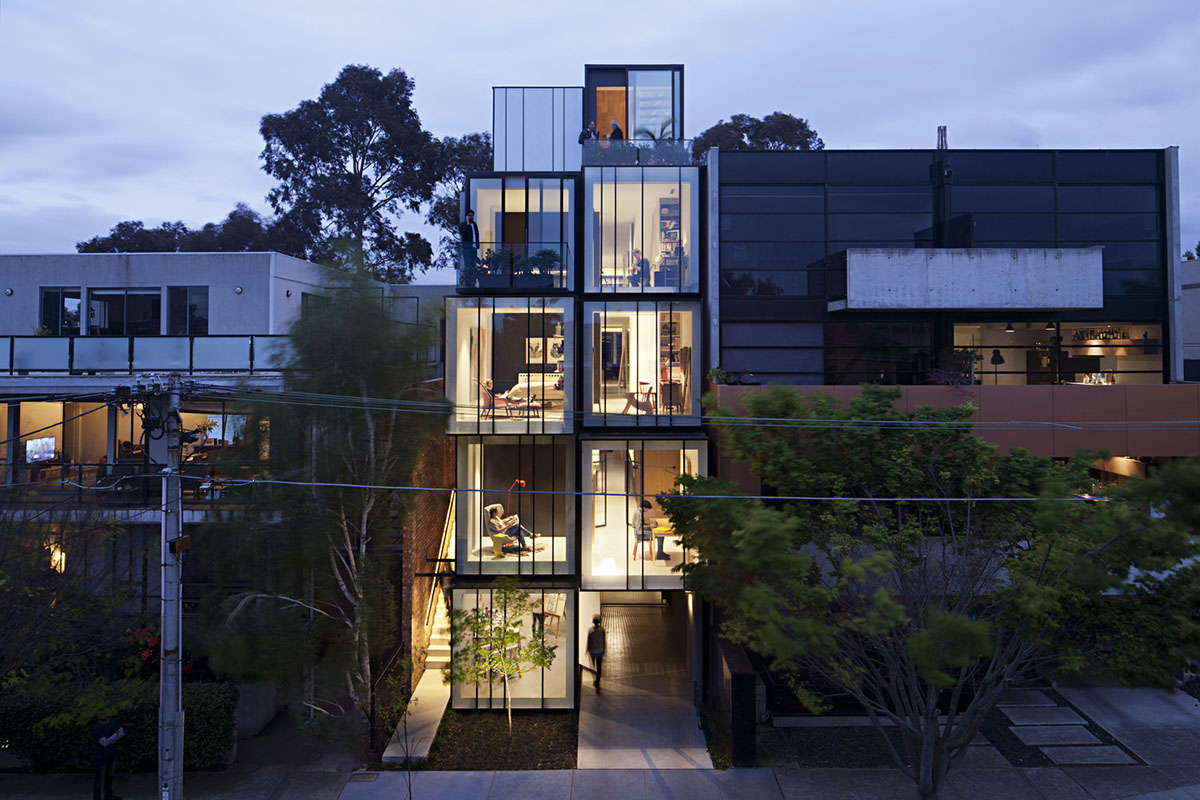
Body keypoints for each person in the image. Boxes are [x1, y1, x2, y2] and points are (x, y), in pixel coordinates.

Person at [93, 711, 124, 800]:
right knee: (99, 779)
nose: (104, 715)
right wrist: (115, 735)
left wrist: (111, 739)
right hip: (101, 757)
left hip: (112, 753)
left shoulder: (113, 721)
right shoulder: (97, 728)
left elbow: (122, 733)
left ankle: (109, 796)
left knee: (109, 776)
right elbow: (104, 743)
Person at [459, 209, 480, 284]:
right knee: (467, 265)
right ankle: (467, 282)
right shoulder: (463, 225)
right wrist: (467, 224)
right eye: (470, 216)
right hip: (467, 248)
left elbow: (477, 235)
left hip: (474, 248)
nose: (471, 217)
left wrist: (477, 245)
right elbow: (463, 234)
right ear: (467, 216)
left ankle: (473, 282)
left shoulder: (474, 224)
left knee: (473, 265)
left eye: (472, 215)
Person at [587, 614, 606, 691]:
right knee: (599, 667)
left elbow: (589, 641)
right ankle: (597, 681)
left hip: (593, 651)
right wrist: (604, 649)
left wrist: (587, 650)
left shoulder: (590, 630)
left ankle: (595, 679)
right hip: (600, 651)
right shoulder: (602, 630)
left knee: (593, 666)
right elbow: (604, 641)